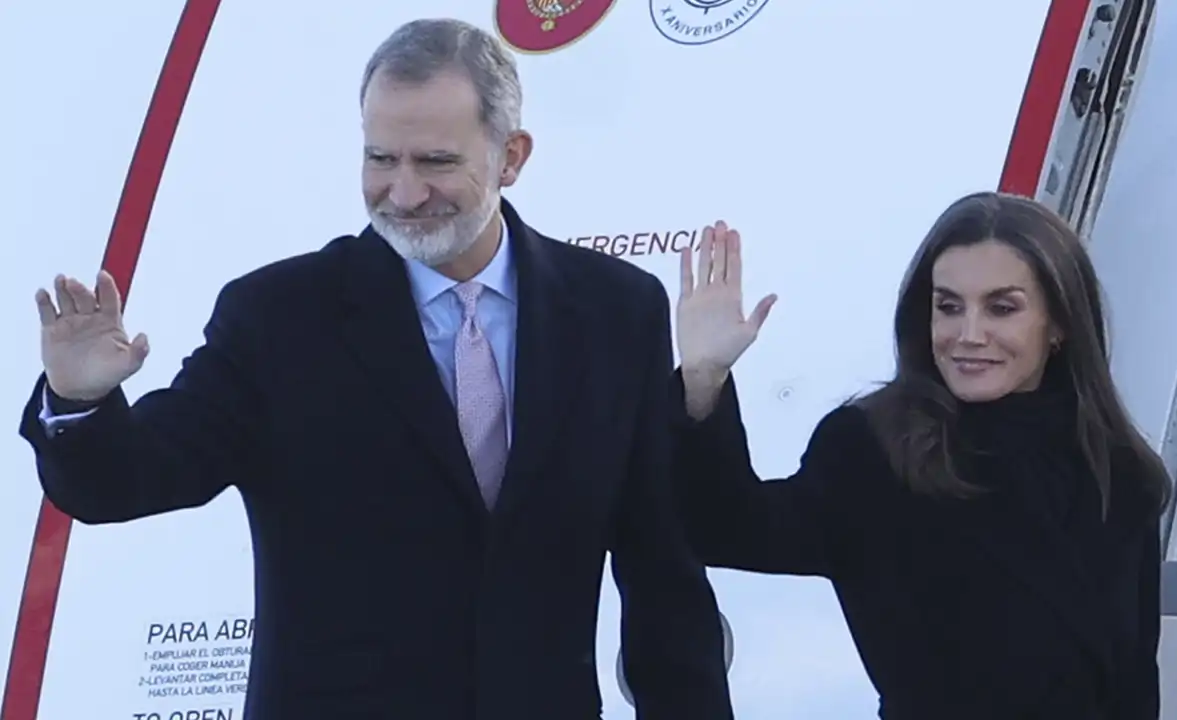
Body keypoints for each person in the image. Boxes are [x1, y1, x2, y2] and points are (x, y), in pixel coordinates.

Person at [19, 18, 733, 720]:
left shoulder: (616, 310)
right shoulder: (278, 317)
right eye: (381, 159)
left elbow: (662, 570)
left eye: (436, 162)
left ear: (511, 156)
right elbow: (133, 478)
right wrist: (79, 402)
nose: (404, 193)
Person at [671, 193, 1171, 719]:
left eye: (1002, 308)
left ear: (1059, 324)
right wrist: (704, 376)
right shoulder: (874, 448)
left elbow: (1135, 683)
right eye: (949, 306)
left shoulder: (1119, 471)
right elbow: (724, 527)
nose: (969, 335)